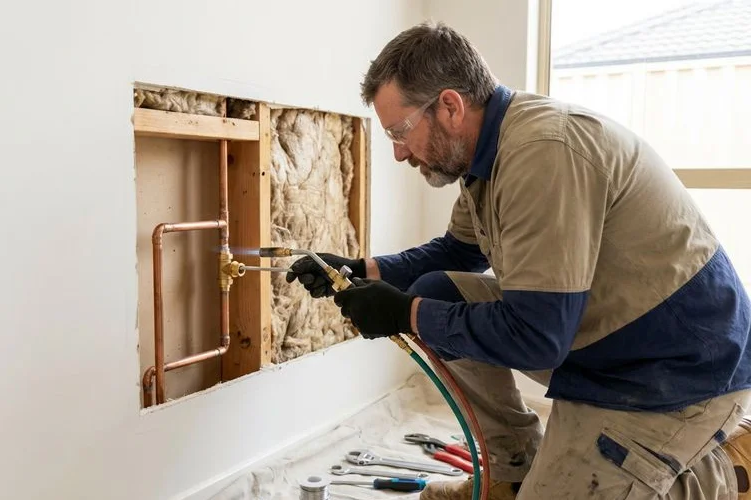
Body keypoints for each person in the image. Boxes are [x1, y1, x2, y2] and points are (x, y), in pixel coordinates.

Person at [286, 21, 751, 499]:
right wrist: (359, 270)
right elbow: (456, 252)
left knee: (428, 311)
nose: (399, 152)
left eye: (401, 132)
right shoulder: (486, 156)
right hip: (603, 339)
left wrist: (404, 313)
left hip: (679, 371)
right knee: (437, 291)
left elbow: (537, 339)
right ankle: (511, 469)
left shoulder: (542, 153)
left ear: (449, 106)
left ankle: (725, 472)